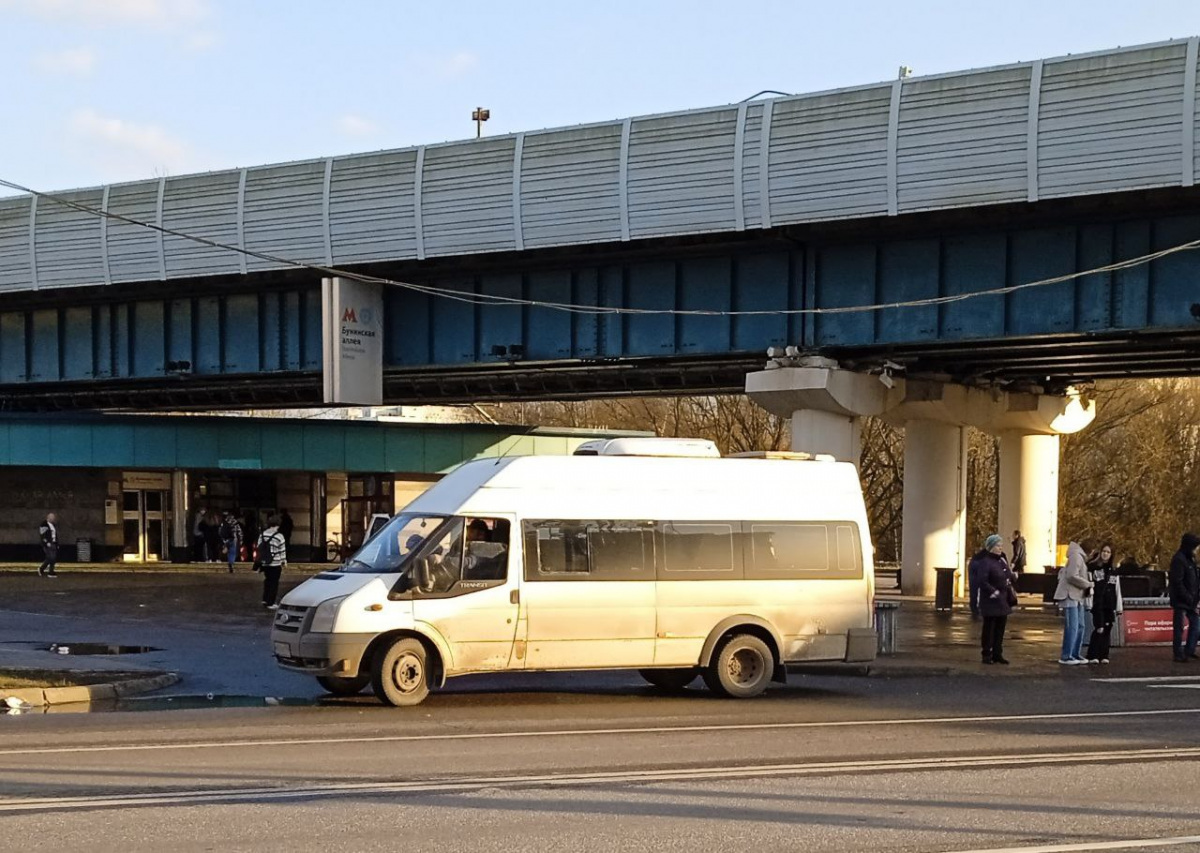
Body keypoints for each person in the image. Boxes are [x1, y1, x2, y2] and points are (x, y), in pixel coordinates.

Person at [976, 534, 1018, 665]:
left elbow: (1007, 575)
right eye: (998, 546)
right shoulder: (985, 562)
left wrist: (1012, 576)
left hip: (1003, 600)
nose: (1000, 548)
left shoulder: (1001, 560)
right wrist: (993, 591)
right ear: (991, 547)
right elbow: (982, 581)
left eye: (1001, 545)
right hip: (991, 600)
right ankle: (986, 654)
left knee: (1000, 628)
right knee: (989, 628)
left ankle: (997, 653)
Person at [1054, 540, 1095, 665]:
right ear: (1091, 551)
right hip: (1070, 594)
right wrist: (1088, 584)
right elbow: (1071, 576)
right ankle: (1067, 655)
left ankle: (1075, 653)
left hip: (1077, 595)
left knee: (1080, 625)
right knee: (1072, 626)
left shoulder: (1078, 556)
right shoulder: (1076, 556)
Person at [1167, 532, 1200, 663]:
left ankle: (1189, 649)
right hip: (1181, 599)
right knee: (1179, 627)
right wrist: (1187, 596)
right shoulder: (1179, 559)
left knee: (1196, 625)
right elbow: (1177, 582)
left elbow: (1194, 578)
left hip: (1191, 598)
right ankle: (1178, 652)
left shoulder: (1189, 558)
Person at [1087, 543, 1118, 664]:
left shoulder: (1113, 570)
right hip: (1098, 601)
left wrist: (1117, 606)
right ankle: (1093, 654)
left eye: (1108, 552)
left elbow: (1117, 589)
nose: (1105, 554)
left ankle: (1104, 654)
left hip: (1110, 602)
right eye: (1104, 551)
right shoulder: (1093, 567)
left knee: (1107, 627)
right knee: (1099, 627)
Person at [257, 514, 288, 610]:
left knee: (267, 581)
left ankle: (265, 599)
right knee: (274, 583)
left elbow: (259, 546)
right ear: (277, 525)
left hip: (265, 562)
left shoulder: (263, 534)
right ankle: (271, 602)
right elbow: (282, 550)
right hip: (275, 563)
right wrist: (284, 561)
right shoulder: (279, 536)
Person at [37, 512, 59, 578]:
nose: (53, 519)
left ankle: (49, 571)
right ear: (48, 517)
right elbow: (42, 535)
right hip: (48, 544)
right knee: (51, 557)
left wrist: (57, 543)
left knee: (52, 558)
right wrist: (46, 542)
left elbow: (55, 535)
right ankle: (44, 570)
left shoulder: (53, 525)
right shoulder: (44, 524)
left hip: (53, 543)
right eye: (52, 517)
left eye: (54, 517)